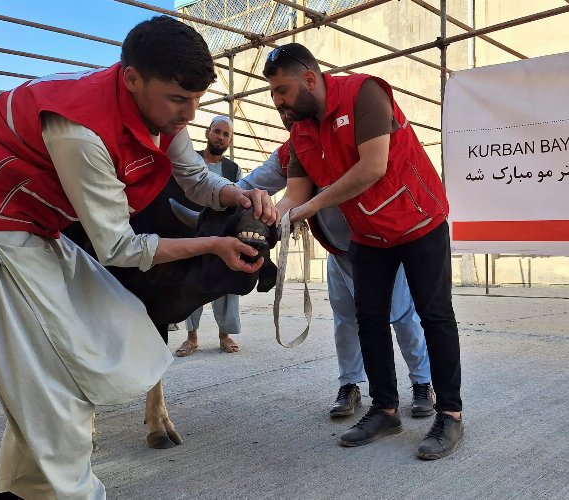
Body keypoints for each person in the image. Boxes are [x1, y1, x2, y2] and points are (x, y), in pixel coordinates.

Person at [0, 16, 276, 499]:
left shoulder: (163, 117)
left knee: (118, 322)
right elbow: (119, 247)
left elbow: (194, 179)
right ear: (131, 77)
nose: (190, 115)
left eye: (196, 100)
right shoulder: (80, 132)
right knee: (59, 382)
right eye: (178, 99)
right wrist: (213, 245)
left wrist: (237, 195)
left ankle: (22, 490)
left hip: (36, 227)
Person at [263, 43, 463, 460]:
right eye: (273, 93)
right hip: (370, 233)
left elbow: (372, 166)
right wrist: (271, 217)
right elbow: (294, 195)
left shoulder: (363, 94)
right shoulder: (299, 134)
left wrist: (311, 207)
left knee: (435, 316)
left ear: (310, 79)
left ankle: (450, 414)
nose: (277, 101)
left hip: (417, 221)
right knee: (369, 318)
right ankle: (385, 409)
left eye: (282, 90)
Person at [239, 109, 435, 418]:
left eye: (290, 102)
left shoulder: (352, 136)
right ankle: (350, 385)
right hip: (338, 250)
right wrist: (220, 195)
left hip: (381, 245)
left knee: (401, 315)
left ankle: (422, 383)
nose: (286, 112)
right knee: (345, 320)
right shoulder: (291, 152)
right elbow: (250, 184)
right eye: (279, 106)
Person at [175, 115, 244, 356]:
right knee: (191, 281)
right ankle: (191, 338)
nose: (220, 137)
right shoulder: (188, 161)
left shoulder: (233, 170)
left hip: (222, 232)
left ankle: (225, 336)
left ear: (230, 140)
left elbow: (238, 202)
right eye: (217, 131)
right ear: (207, 133)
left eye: (226, 134)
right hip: (192, 231)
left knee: (226, 283)